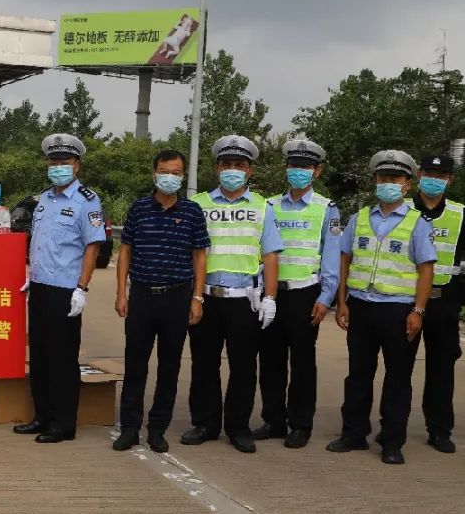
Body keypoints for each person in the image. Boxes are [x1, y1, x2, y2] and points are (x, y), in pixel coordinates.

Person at [329, 150, 435, 465]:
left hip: (399, 311)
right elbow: (345, 258)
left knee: (398, 378)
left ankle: (392, 442)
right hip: (361, 306)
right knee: (358, 374)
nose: (388, 183)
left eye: (395, 178)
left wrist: (418, 310)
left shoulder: (417, 222)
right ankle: (353, 434)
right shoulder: (360, 217)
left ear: (407, 184)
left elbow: (426, 269)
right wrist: (342, 301)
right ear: (375, 180)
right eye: (383, 177)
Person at [182, 135, 283, 454]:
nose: (232, 170)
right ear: (216, 168)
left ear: (249, 171)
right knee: (203, 364)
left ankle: (238, 427)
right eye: (226, 165)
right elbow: (189, 252)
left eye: (239, 165)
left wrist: (270, 297)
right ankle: (204, 424)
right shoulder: (199, 204)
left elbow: (270, 256)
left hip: (245, 300)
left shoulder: (262, 207)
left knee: (243, 367)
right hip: (206, 298)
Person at [113, 149, 209, 453]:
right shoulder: (139, 209)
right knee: (135, 364)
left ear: (183, 176)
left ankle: (157, 429)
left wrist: (197, 297)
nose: (170, 177)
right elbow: (126, 250)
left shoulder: (192, 212)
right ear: (154, 173)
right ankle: (129, 428)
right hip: (141, 295)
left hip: (177, 297)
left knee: (169, 366)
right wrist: (121, 293)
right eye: (165, 171)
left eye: (176, 172)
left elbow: (199, 256)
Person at [13, 133, 106, 443]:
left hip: (66, 291)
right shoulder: (44, 200)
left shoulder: (87, 202)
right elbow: (37, 241)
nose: (58, 167)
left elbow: (92, 247)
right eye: (54, 161)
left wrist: (83, 288)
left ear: (76, 166)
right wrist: (29, 269)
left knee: (62, 359)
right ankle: (42, 416)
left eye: (64, 162)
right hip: (39, 288)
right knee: (39, 356)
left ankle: (64, 424)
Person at [254, 140, 341, 449]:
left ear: (316, 171)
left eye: (305, 167)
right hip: (272, 294)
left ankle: (300, 424)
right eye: (293, 166)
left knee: (303, 362)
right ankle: (274, 421)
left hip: (306, 294)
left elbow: (331, 256)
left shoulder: (327, 209)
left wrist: (325, 297)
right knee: (270, 359)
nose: (298, 172)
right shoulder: (270, 206)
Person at [408, 155, 462, 453]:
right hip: (407, 300)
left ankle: (439, 430)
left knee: (442, 369)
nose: (434, 178)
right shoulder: (403, 211)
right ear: (418, 175)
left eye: (441, 174)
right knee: (399, 367)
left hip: (444, 302)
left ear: (450, 179)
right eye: (429, 172)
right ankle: (393, 426)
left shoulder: (460, 214)